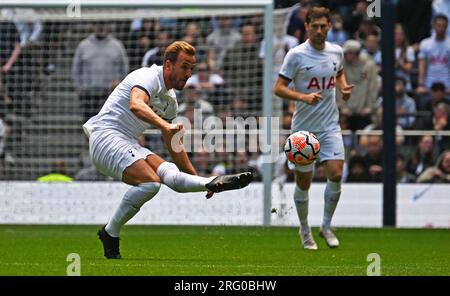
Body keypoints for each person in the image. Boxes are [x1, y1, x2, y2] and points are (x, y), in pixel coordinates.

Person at [82, 41, 253, 259]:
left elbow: (174, 143)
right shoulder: (147, 76)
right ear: (168, 65)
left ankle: (210, 182)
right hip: (105, 137)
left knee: (168, 173)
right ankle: (110, 232)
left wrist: (197, 180)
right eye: (184, 67)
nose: (189, 73)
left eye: (192, 68)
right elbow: (136, 104)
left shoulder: (170, 101)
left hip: (127, 142)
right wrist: (164, 125)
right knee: (150, 183)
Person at [274, 7, 354, 250]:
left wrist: (342, 87)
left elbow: (338, 73)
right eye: (315, 26)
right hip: (303, 130)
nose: (319, 30)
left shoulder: (336, 51)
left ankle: (326, 226)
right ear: (307, 27)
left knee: (337, 174)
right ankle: (305, 229)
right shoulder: (296, 55)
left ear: (329, 26)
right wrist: (302, 97)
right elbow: (278, 88)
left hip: (330, 125)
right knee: (304, 184)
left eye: (323, 26)